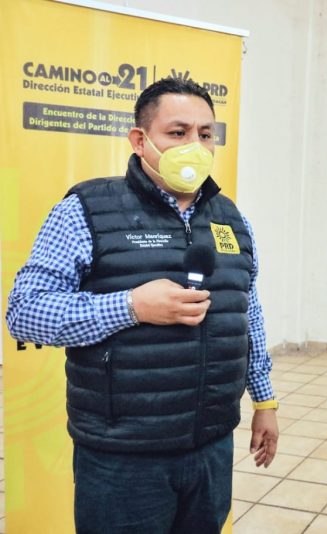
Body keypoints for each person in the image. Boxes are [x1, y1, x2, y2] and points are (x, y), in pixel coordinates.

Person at [5, 78, 279, 533]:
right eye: (178, 132)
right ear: (139, 139)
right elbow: (26, 312)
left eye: (205, 134)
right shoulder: (86, 209)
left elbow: (246, 313)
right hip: (123, 457)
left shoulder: (232, 219)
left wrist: (265, 400)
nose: (195, 146)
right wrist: (132, 306)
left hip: (210, 446)